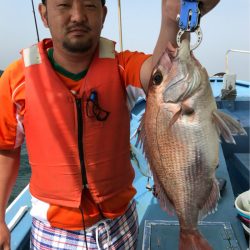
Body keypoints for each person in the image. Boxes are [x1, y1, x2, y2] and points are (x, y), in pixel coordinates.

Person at [0, 0, 220, 249]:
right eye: (63, 5)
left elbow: (157, 77)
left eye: (90, 6)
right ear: (44, 14)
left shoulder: (121, 66)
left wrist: (172, 17)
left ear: (103, 14)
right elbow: (6, 149)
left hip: (120, 225)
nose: (77, 16)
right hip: (52, 232)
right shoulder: (15, 79)